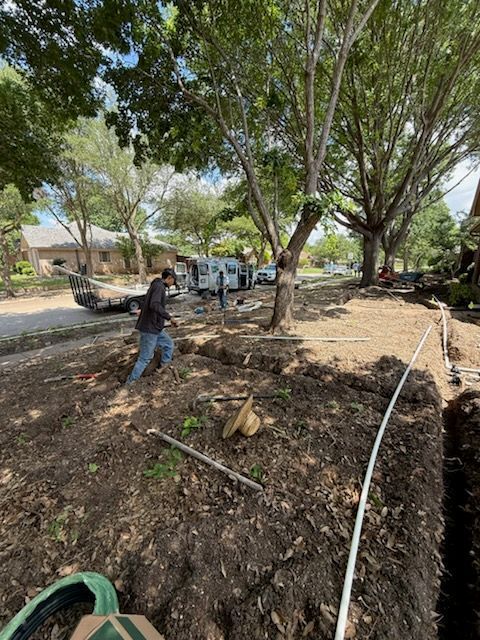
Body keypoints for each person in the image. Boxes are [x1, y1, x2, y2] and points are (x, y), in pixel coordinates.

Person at [126, 268, 178, 384]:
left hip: (155, 327)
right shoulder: (159, 287)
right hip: (150, 328)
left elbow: (149, 303)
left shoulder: (156, 285)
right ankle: (130, 383)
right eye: (173, 281)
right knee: (145, 358)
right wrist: (169, 317)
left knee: (168, 344)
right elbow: (154, 304)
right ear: (169, 278)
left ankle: (164, 367)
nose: (172, 284)